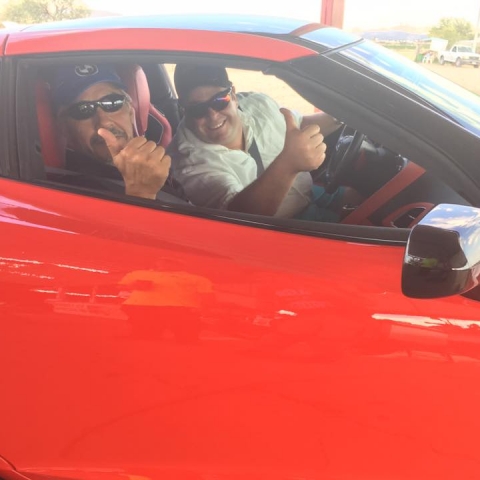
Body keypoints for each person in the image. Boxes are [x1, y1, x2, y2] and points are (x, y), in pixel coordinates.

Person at [170, 63, 358, 221]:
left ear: (233, 95)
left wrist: (341, 114)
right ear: (184, 110)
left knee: (360, 199)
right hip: (281, 230)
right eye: (197, 109)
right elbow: (240, 218)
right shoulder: (191, 163)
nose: (212, 115)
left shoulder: (257, 104)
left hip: (308, 193)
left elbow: (299, 126)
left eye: (220, 100)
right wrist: (288, 165)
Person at [50, 64, 175, 200]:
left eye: (112, 102)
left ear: (130, 112)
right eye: (83, 110)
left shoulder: (156, 152)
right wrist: (141, 193)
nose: (104, 122)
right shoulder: (67, 192)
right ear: (65, 128)